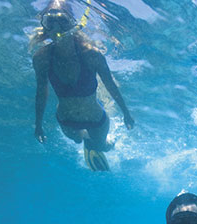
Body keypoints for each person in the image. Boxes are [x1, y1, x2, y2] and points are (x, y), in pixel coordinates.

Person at [30, 0, 134, 171]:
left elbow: (110, 85)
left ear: (72, 24)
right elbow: (41, 92)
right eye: (50, 22)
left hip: (95, 119)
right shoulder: (41, 58)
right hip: (66, 120)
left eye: (63, 21)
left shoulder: (91, 54)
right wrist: (38, 125)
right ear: (45, 26)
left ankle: (111, 141)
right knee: (77, 139)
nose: (57, 29)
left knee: (102, 147)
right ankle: (86, 139)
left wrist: (126, 113)